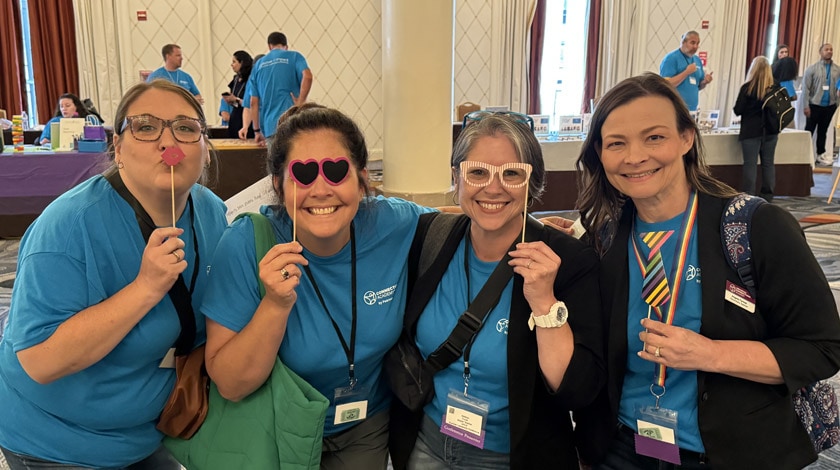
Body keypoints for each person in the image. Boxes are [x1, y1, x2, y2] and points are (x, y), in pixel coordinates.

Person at [572, 72, 840, 469]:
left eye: (654, 137)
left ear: (686, 138)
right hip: (625, 448)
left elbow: (821, 349)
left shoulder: (756, 227)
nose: (634, 156)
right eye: (616, 144)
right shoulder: (601, 239)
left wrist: (710, 354)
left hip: (734, 453)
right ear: (600, 154)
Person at [0, 80, 228, 468]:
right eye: (145, 126)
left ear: (205, 152)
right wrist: (145, 289)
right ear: (118, 148)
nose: (167, 141)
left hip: (153, 429)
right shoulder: (68, 226)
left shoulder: (212, 212)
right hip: (57, 440)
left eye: (186, 128)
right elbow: (40, 361)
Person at [201, 104, 432, 468]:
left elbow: (471, 228)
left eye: (337, 171)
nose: (321, 189)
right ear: (278, 184)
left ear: (361, 179)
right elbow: (230, 384)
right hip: (271, 427)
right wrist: (275, 305)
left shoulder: (394, 224)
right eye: (303, 174)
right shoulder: (247, 242)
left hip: (365, 425)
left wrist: (547, 234)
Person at [393, 112, 604, 469]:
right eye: (477, 172)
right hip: (425, 444)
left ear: (531, 183)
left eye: (511, 173)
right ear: (456, 178)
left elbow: (577, 390)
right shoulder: (431, 237)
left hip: (512, 455)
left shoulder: (567, 261)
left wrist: (544, 304)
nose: (494, 187)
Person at [248, 32, 313, 147]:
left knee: (276, 163)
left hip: (270, 127)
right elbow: (307, 76)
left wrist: (257, 131)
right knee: (295, 162)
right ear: (286, 47)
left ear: (269, 46)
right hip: (294, 122)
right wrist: (300, 102)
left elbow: (253, 103)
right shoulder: (294, 56)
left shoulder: (258, 65)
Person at [734, 56, 781, 201]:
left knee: (750, 164)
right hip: (771, 130)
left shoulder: (747, 88)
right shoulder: (776, 88)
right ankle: (767, 194)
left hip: (751, 131)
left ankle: (749, 195)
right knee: (768, 163)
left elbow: (738, 110)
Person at [802, 43, 840, 166]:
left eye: (831, 49)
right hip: (814, 105)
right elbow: (805, 89)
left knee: (823, 131)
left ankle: (820, 154)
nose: (829, 51)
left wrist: (836, 104)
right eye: (826, 49)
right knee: (809, 130)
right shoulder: (812, 69)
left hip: (830, 106)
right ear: (820, 52)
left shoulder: (837, 69)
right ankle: (804, 155)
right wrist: (806, 105)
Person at [659, 31, 713, 112]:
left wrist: (705, 82)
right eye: (692, 43)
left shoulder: (697, 60)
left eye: (697, 43)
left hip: (692, 111)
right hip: (674, 109)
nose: (695, 46)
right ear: (683, 42)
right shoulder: (671, 58)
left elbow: (698, 86)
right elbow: (666, 85)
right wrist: (686, 72)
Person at [224, 50, 254, 139]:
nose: (231, 65)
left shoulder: (251, 79)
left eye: (234, 62)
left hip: (247, 117)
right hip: (235, 116)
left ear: (242, 63)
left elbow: (252, 102)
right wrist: (230, 100)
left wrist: (236, 100)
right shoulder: (236, 79)